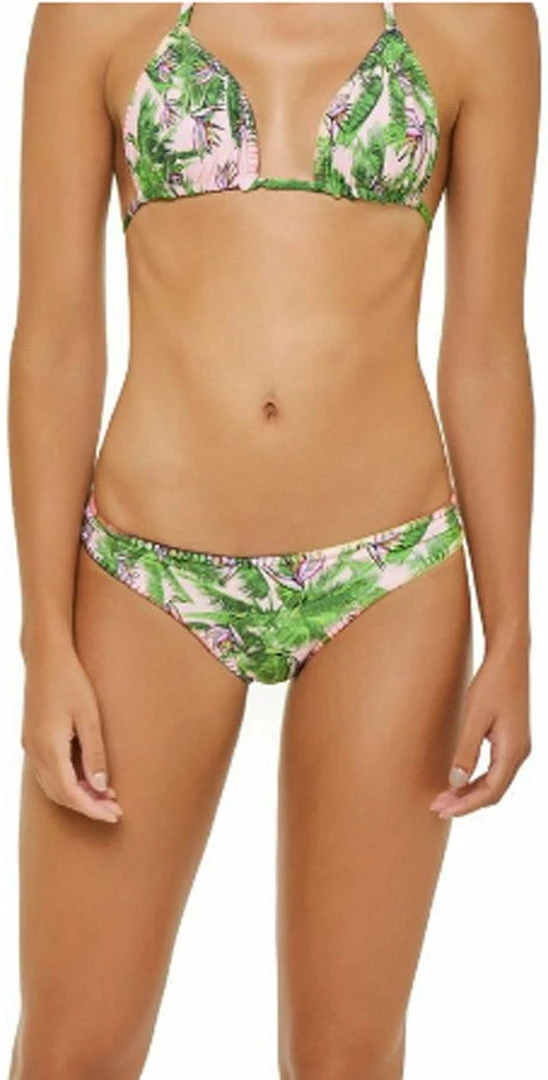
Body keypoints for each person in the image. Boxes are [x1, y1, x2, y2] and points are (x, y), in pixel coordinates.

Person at [7, 4, 539, 1079]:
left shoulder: (479, 23)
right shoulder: (93, 16)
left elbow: (485, 346)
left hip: (388, 573)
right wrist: (44, 640)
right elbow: (56, 336)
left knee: (347, 1057)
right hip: (149, 574)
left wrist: (512, 630)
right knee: (74, 1051)